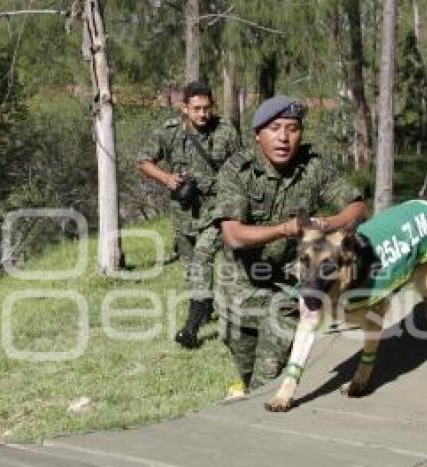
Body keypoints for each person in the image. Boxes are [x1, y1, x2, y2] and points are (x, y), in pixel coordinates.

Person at [209, 95, 367, 399]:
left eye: (292, 129)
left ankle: (260, 412)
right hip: (238, 288)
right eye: (275, 128)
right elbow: (232, 235)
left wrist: (326, 224)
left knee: (268, 372)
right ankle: (254, 396)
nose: (283, 137)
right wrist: (284, 229)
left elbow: (357, 208)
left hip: (287, 286)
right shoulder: (237, 171)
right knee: (247, 366)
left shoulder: (313, 167)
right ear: (258, 135)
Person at [137, 81, 240, 348]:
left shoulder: (226, 131)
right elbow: (143, 161)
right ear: (185, 108)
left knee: (203, 257)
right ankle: (204, 308)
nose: (203, 114)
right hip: (183, 213)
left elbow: (243, 168)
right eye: (196, 109)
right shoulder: (170, 133)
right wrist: (168, 179)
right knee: (190, 268)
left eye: (207, 108)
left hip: (218, 210)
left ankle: (191, 328)